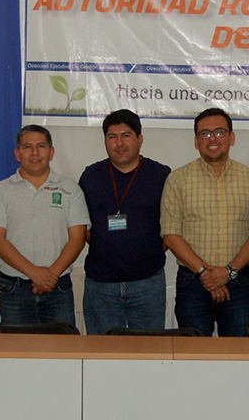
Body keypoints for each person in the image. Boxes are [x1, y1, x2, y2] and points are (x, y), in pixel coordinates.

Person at [161, 108, 249, 337]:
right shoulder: (178, 179)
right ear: (196, 141)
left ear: (232, 137)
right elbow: (170, 234)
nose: (213, 139)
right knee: (194, 355)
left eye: (219, 132)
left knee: (238, 354)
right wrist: (204, 273)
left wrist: (229, 272)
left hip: (238, 283)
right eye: (205, 134)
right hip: (192, 283)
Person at [0, 125, 88, 325]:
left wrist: (50, 276)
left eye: (41, 146)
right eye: (27, 147)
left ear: (51, 152)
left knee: (61, 352)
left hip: (58, 287)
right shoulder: (0, 191)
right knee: (18, 353)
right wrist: (34, 273)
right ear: (17, 153)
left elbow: (78, 238)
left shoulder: (70, 189)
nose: (34, 153)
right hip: (14, 289)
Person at [78, 109, 171, 334]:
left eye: (126, 135)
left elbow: (172, 226)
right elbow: (83, 227)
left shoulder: (161, 175)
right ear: (105, 141)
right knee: (102, 355)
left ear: (139, 139)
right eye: (112, 137)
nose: (119, 143)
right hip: (101, 284)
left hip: (148, 282)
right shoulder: (91, 176)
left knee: (149, 354)